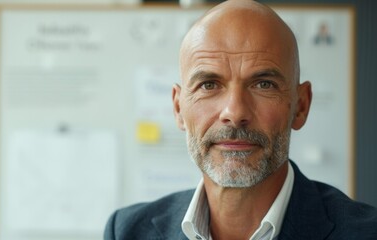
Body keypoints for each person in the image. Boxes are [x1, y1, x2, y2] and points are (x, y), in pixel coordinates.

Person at [104, 0, 377, 239]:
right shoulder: (128, 231)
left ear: (301, 106)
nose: (234, 113)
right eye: (209, 85)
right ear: (178, 108)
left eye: (264, 84)